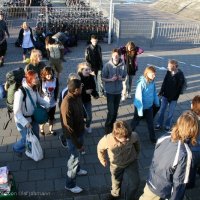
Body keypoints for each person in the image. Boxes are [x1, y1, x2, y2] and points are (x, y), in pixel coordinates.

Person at [139, 110, 199, 200]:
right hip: (164, 189)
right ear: (193, 131)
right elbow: (179, 183)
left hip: (151, 181)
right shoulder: (185, 153)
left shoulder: (164, 137)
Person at [97, 120, 140, 200]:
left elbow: (137, 144)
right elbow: (100, 148)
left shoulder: (133, 135)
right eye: (125, 138)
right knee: (116, 182)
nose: (127, 139)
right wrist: (102, 159)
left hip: (131, 162)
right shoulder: (107, 140)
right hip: (116, 165)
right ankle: (115, 195)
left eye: (128, 137)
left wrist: (137, 154)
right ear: (116, 135)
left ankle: (130, 197)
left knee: (135, 183)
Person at [13, 70, 49, 157]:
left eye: (37, 77)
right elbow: (16, 112)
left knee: (36, 137)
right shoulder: (20, 92)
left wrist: (47, 105)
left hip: (33, 118)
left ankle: (31, 151)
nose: (38, 79)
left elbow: (38, 99)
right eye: (35, 78)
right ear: (29, 79)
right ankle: (16, 148)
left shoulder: (34, 87)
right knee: (26, 138)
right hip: (22, 120)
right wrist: (25, 123)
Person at [61, 79, 87, 194]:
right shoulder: (67, 103)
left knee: (76, 157)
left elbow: (81, 109)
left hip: (79, 132)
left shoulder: (77, 96)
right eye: (80, 88)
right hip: (73, 137)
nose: (82, 89)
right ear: (76, 90)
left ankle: (78, 170)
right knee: (74, 159)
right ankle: (70, 184)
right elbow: (68, 128)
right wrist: (78, 144)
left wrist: (85, 117)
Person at [131, 66, 160, 143]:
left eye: (155, 74)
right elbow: (138, 97)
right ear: (147, 74)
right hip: (140, 107)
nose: (154, 76)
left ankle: (153, 139)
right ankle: (128, 134)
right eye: (152, 74)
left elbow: (154, 93)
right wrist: (140, 110)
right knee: (135, 122)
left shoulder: (152, 82)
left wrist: (157, 102)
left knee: (150, 123)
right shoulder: (142, 83)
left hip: (149, 107)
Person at [155, 60, 186, 132]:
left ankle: (167, 125)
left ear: (174, 66)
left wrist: (173, 97)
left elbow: (179, 87)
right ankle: (159, 123)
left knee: (171, 112)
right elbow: (164, 82)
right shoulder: (168, 72)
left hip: (174, 97)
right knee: (162, 110)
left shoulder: (180, 75)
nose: (167, 67)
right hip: (165, 95)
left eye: (169, 66)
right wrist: (161, 91)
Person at [102, 48, 127, 134]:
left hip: (118, 92)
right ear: (112, 55)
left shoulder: (123, 65)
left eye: (117, 55)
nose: (116, 56)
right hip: (110, 92)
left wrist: (121, 78)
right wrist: (111, 79)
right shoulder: (107, 65)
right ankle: (107, 126)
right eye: (114, 55)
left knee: (115, 112)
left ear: (120, 56)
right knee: (111, 111)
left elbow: (124, 77)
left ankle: (113, 125)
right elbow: (102, 78)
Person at [58, 73, 81, 148]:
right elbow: (63, 106)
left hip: (75, 113)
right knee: (68, 129)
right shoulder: (65, 92)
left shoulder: (78, 89)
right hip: (67, 114)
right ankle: (64, 137)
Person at [77, 62, 99, 133]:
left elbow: (93, 88)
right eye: (86, 70)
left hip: (87, 100)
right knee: (80, 116)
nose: (88, 71)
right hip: (78, 100)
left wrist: (95, 95)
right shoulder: (78, 78)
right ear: (81, 70)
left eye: (89, 69)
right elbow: (74, 91)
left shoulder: (91, 77)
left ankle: (87, 126)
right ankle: (80, 127)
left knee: (89, 116)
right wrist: (85, 92)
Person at [39, 67, 59, 136]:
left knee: (51, 117)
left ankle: (51, 129)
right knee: (43, 117)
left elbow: (56, 89)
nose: (49, 76)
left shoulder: (55, 80)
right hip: (43, 103)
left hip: (52, 103)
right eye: (47, 74)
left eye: (50, 74)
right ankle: (41, 129)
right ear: (44, 74)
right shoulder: (41, 81)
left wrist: (56, 98)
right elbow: (39, 91)